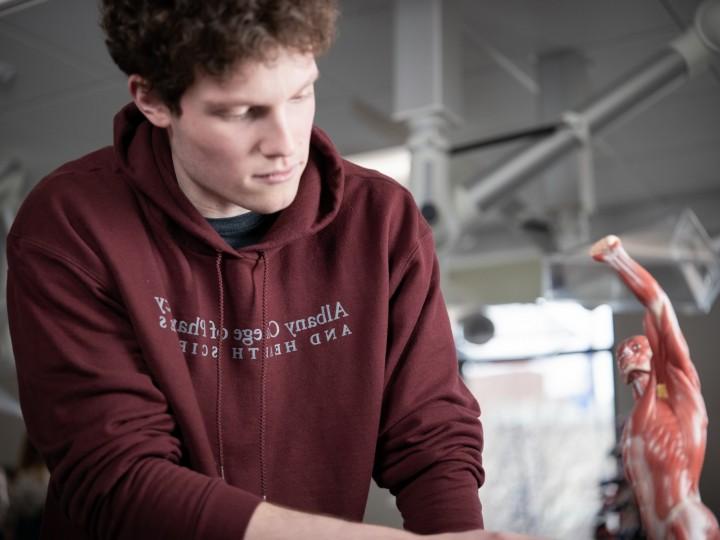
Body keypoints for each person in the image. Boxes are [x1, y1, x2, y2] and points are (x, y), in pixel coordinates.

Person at [6, 1, 537, 539]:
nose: (286, 143)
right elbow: (116, 476)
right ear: (153, 100)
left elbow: (432, 435)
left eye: (301, 93)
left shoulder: (384, 223)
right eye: (241, 112)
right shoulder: (69, 226)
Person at [591, 235, 720, 540]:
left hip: (684, 522)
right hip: (654, 529)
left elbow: (658, 303)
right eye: (622, 353)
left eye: (635, 348)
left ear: (653, 356)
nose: (626, 356)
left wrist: (618, 258)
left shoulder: (680, 392)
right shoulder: (636, 422)